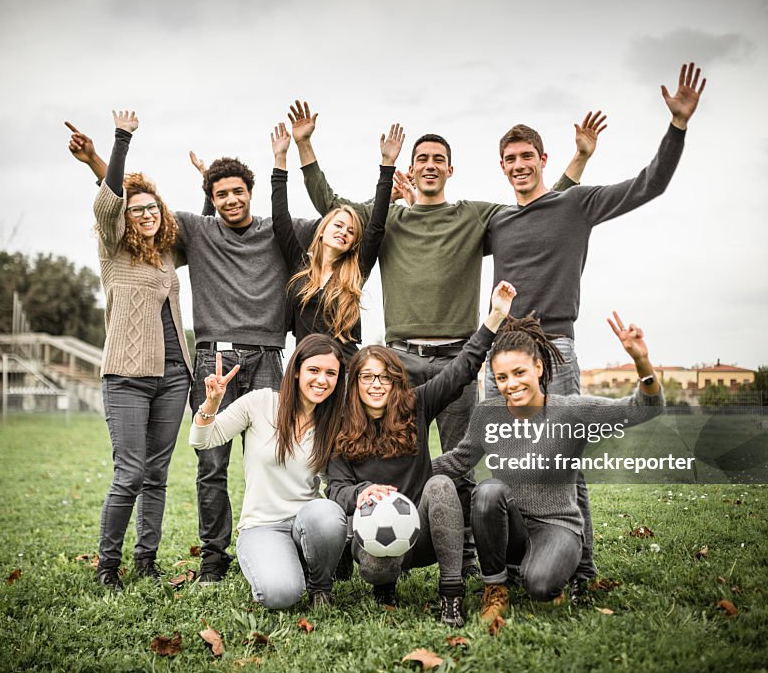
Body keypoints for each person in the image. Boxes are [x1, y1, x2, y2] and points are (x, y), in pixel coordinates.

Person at [295, 101, 601, 576]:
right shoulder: (389, 217)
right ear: (411, 170)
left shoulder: (475, 217)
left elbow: (538, 211)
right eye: (423, 160)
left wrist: (576, 162)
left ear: (450, 169)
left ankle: (465, 559)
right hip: (401, 361)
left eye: (439, 159)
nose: (431, 166)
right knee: (388, 458)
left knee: (459, 466)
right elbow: (329, 205)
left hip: (459, 360)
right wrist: (305, 144)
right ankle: (382, 544)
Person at [66, 117, 322, 585]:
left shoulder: (279, 231)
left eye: (237, 192)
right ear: (213, 199)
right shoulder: (194, 230)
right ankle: (214, 559)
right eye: (220, 194)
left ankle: (293, 544)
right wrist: (95, 161)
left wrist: (390, 199)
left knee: (281, 453)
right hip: (213, 359)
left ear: (250, 191)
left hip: (268, 358)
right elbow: (129, 209)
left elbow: (337, 226)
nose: (230, 200)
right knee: (212, 466)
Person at [483, 62, 707, 587]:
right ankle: (509, 563)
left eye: (526, 158)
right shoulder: (495, 221)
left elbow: (650, 185)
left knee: (565, 459)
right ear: (502, 166)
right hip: (501, 355)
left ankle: (579, 569)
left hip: (554, 350)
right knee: (502, 464)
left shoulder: (576, 204)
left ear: (543, 159)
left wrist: (676, 126)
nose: (519, 166)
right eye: (509, 160)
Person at [432, 310, 665, 621]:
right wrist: (400, 471)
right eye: (501, 378)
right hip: (511, 527)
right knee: (488, 491)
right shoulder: (488, 414)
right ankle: (495, 588)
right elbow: (457, 460)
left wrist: (641, 362)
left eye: (519, 372)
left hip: (557, 527)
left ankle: (542, 572)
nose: (510, 384)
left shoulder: (570, 413)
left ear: (538, 367)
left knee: (540, 586)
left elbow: (643, 409)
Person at [326, 281, 516, 627]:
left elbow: (460, 370)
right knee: (376, 567)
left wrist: (495, 318)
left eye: (384, 377)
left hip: (422, 534)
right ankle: (384, 586)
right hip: (373, 543)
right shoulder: (341, 426)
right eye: (367, 377)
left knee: (442, 484)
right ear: (355, 383)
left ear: (396, 380)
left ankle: (451, 595)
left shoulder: (416, 404)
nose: (376, 384)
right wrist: (360, 492)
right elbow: (335, 488)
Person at [90, 110, 192, 591]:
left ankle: (146, 560)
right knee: (129, 472)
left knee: (157, 474)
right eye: (138, 210)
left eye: (153, 208)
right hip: (127, 375)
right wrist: (119, 141)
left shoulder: (169, 251)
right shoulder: (113, 250)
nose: (147, 215)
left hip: (175, 374)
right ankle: (107, 566)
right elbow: (108, 201)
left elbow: (213, 236)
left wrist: (208, 181)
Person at [189, 335, 349, 609]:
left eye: (330, 373)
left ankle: (321, 587)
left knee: (326, 512)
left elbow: (337, 483)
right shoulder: (260, 403)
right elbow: (202, 440)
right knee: (280, 595)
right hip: (262, 527)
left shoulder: (334, 423)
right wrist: (212, 405)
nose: (322, 380)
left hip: (306, 522)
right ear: (296, 370)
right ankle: (282, 562)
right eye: (314, 370)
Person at [270, 119, 405, 359]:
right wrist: (280, 159)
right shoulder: (301, 267)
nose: (344, 232)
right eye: (339, 225)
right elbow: (281, 221)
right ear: (322, 230)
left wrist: (387, 166)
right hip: (306, 365)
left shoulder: (355, 270)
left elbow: (375, 226)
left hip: (344, 366)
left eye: (351, 232)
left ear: (354, 242)